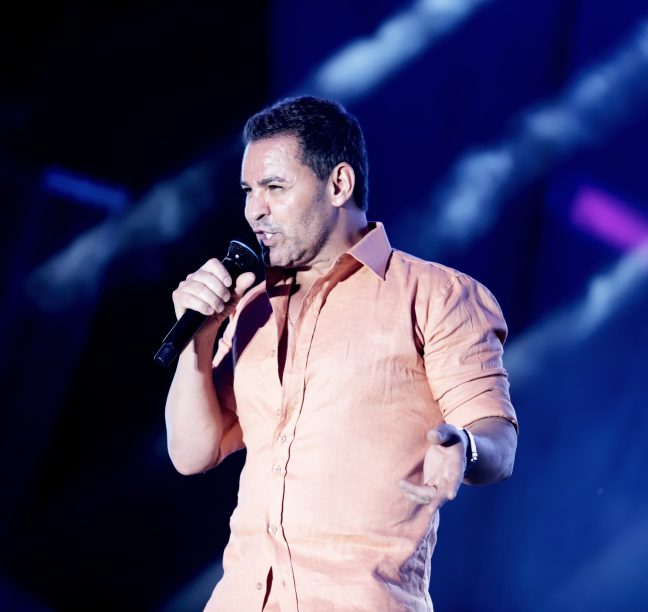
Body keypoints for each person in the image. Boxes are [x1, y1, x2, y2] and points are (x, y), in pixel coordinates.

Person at [165, 95, 518, 611]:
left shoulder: (437, 296)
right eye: (248, 190)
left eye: (274, 187)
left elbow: (498, 443)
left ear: (339, 185)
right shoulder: (252, 307)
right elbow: (191, 453)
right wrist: (197, 340)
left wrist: (464, 447)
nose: (254, 209)